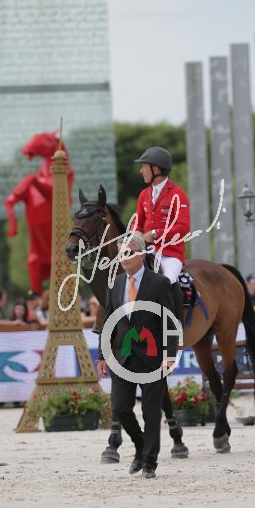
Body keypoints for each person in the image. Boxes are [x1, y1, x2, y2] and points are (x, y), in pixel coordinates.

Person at [97, 234, 177, 479]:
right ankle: (141, 445)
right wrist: (102, 355)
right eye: (121, 253)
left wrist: (170, 355)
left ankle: (150, 462)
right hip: (122, 356)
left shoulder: (159, 283)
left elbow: (169, 321)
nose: (123, 258)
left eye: (129, 253)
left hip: (152, 357)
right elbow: (108, 321)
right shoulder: (115, 284)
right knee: (120, 408)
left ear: (141, 255)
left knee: (151, 412)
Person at [131, 146, 190, 326]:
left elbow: (183, 227)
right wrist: (136, 232)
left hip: (171, 253)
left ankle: (174, 327)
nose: (141, 171)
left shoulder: (178, 194)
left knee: (168, 281)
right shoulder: (144, 195)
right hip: (148, 251)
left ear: (155, 169)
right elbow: (137, 222)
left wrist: (156, 234)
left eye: (144, 167)